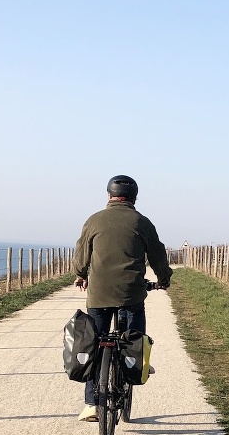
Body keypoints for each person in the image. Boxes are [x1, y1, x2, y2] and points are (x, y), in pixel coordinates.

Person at [71, 175, 173, 422]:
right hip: (131, 292)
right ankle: (136, 360)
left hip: (98, 294)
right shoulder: (141, 222)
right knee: (133, 336)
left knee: (94, 343)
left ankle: (91, 404)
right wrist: (164, 278)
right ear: (134, 198)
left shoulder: (94, 220)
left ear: (109, 195)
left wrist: (80, 275)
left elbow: (82, 254)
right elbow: (157, 255)